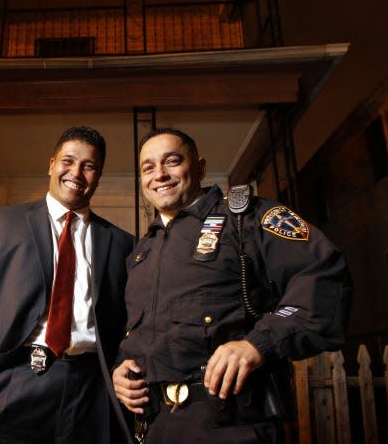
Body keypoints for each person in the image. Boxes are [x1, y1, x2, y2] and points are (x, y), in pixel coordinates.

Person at [112, 127, 351, 443]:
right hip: (156, 428)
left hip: (232, 425)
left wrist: (258, 343)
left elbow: (325, 275)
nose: (160, 174)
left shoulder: (246, 218)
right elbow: (136, 334)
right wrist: (120, 371)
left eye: (172, 161)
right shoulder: (141, 253)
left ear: (199, 167)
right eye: (148, 168)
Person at [0, 126, 135, 444]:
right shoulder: (3, 223)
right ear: (51, 164)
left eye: (89, 166)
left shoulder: (121, 243)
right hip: (12, 384)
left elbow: (130, 320)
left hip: (91, 392)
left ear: (98, 176)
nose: (76, 172)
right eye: (68, 161)